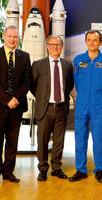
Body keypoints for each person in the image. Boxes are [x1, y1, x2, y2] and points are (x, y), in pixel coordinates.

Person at [0, 25, 31, 185]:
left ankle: (8, 171)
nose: (12, 39)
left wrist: (16, 98)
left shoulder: (25, 56)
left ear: (18, 39)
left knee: (12, 142)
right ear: (4, 37)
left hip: (16, 106)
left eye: (15, 37)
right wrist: (7, 99)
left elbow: (27, 81)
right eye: (10, 36)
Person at [69, 30, 102, 183]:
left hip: (100, 103)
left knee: (100, 138)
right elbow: (76, 81)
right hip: (82, 103)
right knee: (80, 137)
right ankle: (80, 169)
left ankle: (100, 170)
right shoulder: (78, 60)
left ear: (100, 42)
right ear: (86, 41)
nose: (92, 43)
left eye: (95, 40)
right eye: (89, 40)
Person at [31, 35, 74, 182]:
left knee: (59, 141)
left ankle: (56, 168)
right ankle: (43, 169)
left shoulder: (67, 65)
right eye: (52, 44)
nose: (55, 47)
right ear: (47, 46)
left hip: (61, 108)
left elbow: (68, 85)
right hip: (45, 109)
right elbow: (32, 86)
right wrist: (43, 97)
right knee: (42, 141)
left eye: (58, 45)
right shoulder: (38, 65)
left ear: (61, 47)